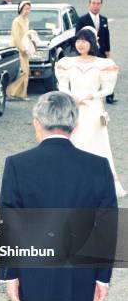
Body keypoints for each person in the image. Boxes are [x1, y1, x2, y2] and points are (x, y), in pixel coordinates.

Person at [0, 91, 116, 301]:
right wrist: (102, 277)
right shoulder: (98, 167)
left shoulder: (18, 165)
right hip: (81, 268)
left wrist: (10, 274)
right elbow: (107, 227)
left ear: (37, 122)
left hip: (36, 266)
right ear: (74, 126)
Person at [55, 28, 125, 197]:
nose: (81, 44)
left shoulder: (103, 64)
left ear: (92, 43)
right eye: (78, 40)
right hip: (73, 108)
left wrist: (92, 95)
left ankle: (98, 184)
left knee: (94, 143)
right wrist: (73, 96)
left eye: (85, 41)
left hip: (93, 109)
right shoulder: (67, 62)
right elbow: (62, 85)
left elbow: (108, 89)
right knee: (74, 142)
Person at [76, 0, 114, 104]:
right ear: (89, 5)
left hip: (101, 50)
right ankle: (90, 94)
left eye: (98, 4)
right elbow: (77, 36)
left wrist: (108, 51)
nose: (96, 6)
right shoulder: (82, 19)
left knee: (106, 73)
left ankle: (109, 96)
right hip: (89, 51)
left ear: (101, 5)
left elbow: (106, 36)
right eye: (93, 3)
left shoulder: (103, 19)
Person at [7, 1, 31, 100]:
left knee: (26, 71)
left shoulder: (27, 20)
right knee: (21, 71)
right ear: (21, 9)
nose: (28, 11)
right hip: (17, 48)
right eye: (26, 9)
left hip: (25, 47)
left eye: (29, 9)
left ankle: (21, 94)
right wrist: (22, 48)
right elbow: (16, 37)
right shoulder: (16, 21)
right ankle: (10, 92)